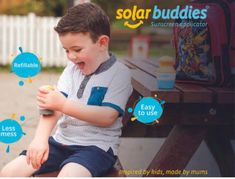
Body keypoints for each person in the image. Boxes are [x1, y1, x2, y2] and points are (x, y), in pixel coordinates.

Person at [0, 2, 132, 177]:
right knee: (10, 172)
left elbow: (107, 116)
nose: (71, 57)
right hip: (60, 143)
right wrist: (40, 140)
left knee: (68, 175)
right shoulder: (71, 70)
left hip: (95, 149)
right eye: (66, 50)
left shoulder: (119, 74)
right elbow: (52, 108)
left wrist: (63, 105)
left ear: (102, 43)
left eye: (76, 49)